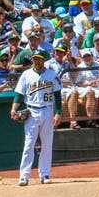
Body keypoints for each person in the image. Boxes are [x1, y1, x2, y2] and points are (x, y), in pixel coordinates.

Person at [11, 48, 61, 186]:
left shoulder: (52, 74)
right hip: (31, 111)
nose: (36, 61)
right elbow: (19, 94)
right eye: (35, 58)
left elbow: (57, 95)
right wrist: (14, 108)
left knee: (47, 144)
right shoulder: (26, 75)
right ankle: (24, 176)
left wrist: (58, 112)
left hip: (47, 111)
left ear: (44, 60)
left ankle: (45, 174)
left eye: (39, 58)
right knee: (29, 144)